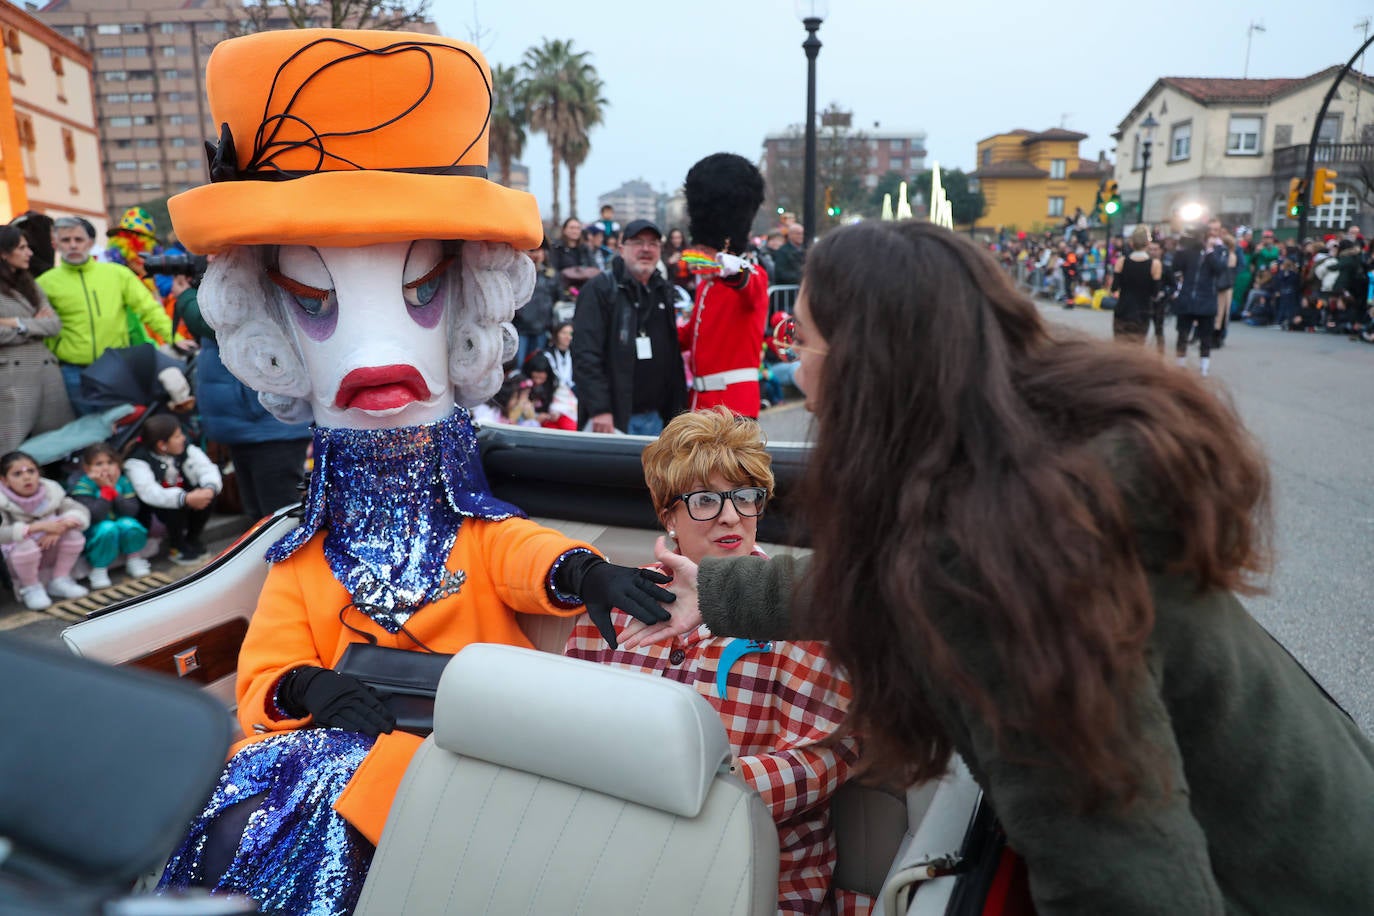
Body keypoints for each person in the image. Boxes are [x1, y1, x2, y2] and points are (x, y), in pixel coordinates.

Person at [620, 220, 1374, 915]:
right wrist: (719, 592)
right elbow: (909, 575)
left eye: (801, 341)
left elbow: (1122, 875)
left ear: (866, 369)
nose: (798, 375)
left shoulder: (1017, 573)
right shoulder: (1027, 477)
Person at [153, 29, 674, 915]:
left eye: (422, 289)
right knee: (249, 804)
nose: (377, 356)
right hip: (335, 744)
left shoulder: (472, 528)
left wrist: (583, 571)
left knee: (321, 807)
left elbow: (514, 551)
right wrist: (311, 687)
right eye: (311, 300)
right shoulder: (305, 559)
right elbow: (265, 674)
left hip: (462, 742)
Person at [565, 407, 862, 915]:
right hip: (615, 859)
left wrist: (695, 789)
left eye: (745, 497)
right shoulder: (615, 607)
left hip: (755, 873)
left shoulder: (797, 612)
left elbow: (827, 755)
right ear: (667, 515)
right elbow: (568, 727)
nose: (731, 516)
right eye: (704, 500)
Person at [178, 278, 311, 520]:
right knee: (258, 519)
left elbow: (214, 320)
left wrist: (186, 296)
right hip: (246, 426)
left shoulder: (255, 275)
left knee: (278, 519)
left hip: (270, 426)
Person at [37, 216, 173, 415]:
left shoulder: (118, 274)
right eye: (66, 240)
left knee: (122, 427)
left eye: (78, 239)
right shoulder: (44, 283)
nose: (73, 245)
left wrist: (174, 339)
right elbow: (41, 327)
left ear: (90, 243)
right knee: (87, 432)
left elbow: (149, 310)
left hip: (115, 367)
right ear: (55, 244)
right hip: (72, 371)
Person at [572, 218, 686, 435]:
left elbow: (672, 355)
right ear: (622, 249)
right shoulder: (599, 290)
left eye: (653, 243)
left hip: (656, 418)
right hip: (613, 419)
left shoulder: (663, 290)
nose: (646, 249)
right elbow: (585, 355)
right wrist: (600, 409)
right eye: (638, 242)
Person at [678, 153, 770, 418]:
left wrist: (726, 266)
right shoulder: (707, 286)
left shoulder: (752, 275)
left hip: (734, 405)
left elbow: (746, 281)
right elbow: (691, 336)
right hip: (700, 401)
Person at [0, 224, 73, 454]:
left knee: (56, 446)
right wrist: (34, 324)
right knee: (11, 448)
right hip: (12, 379)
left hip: (46, 374)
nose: (29, 253)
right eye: (21, 248)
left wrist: (18, 323)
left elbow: (54, 325)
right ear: (3, 252)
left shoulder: (29, 284)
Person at [123, 413, 221, 566]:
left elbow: (207, 468)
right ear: (162, 444)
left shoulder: (186, 449)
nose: (182, 438)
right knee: (175, 504)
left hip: (185, 500)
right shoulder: (136, 461)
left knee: (208, 494)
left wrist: (209, 489)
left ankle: (192, 539)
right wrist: (185, 498)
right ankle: (177, 546)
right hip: (155, 512)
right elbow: (150, 493)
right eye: (177, 436)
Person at [0, 450, 89, 609]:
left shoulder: (51, 491)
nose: (26, 477)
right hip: (17, 561)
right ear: (4, 480)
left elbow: (79, 510)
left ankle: (60, 580)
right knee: (24, 542)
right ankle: (31, 588)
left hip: (48, 551)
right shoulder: (2, 502)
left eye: (31, 471)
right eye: (17, 474)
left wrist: (60, 527)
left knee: (73, 533)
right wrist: (36, 527)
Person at [67, 442, 152, 587]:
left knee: (129, 524)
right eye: (99, 464)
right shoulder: (83, 486)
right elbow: (95, 515)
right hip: (95, 532)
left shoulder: (123, 481)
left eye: (110, 462)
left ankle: (134, 559)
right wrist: (106, 491)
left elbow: (131, 510)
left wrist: (114, 491)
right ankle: (99, 568)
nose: (105, 468)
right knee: (107, 528)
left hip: (121, 526)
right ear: (87, 469)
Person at [1171, 227, 1228, 376]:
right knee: (1182, 333)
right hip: (1188, 298)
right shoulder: (1190, 252)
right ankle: (1180, 364)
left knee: (1205, 336)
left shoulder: (1220, 251)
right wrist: (1180, 247)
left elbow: (1220, 269)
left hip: (1207, 299)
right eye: (1208, 236)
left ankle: (1204, 368)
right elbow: (1176, 266)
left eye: (1213, 236)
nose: (1210, 239)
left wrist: (1210, 252)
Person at [1110, 226, 1161, 342]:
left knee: (1118, 347)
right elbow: (1155, 292)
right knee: (1136, 349)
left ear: (1131, 243)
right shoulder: (1155, 264)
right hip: (1142, 311)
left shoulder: (1122, 261)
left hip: (1123, 309)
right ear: (1148, 243)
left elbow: (1114, 288)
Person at [513, 240, 557, 367]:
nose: (535, 255)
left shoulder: (550, 276)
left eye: (539, 251)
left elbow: (556, 299)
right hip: (520, 329)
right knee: (518, 364)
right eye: (532, 251)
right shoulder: (517, 273)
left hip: (541, 330)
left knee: (537, 366)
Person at [549, 216, 598, 298]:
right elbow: (553, 271)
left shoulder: (585, 249)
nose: (575, 231)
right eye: (572, 228)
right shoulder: (556, 248)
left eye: (578, 228)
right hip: (563, 291)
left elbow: (594, 269)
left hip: (585, 290)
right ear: (564, 230)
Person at [771, 222, 805, 286]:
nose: (801, 236)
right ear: (790, 235)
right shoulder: (782, 251)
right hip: (788, 290)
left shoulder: (806, 249)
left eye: (802, 233)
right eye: (798, 234)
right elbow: (781, 273)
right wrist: (801, 278)